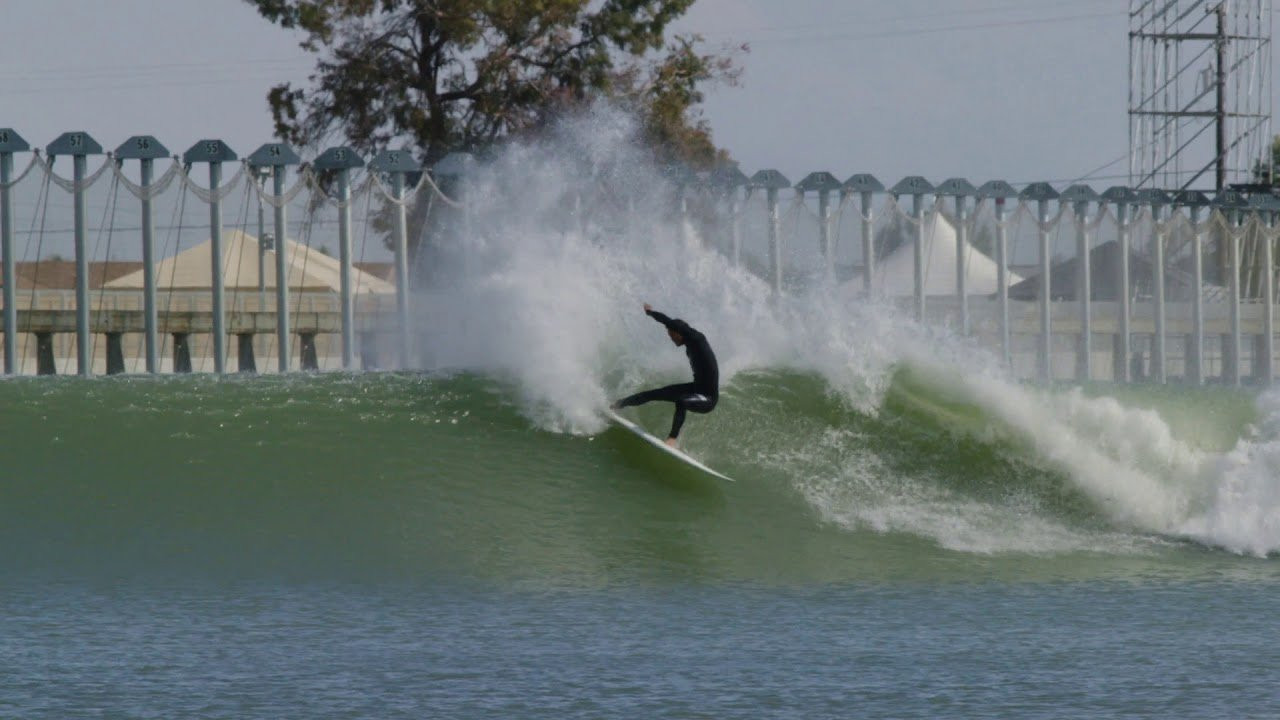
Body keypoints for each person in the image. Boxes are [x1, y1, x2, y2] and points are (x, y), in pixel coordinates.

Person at [611, 303, 718, 447]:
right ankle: (617, 405)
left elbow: (669, 322)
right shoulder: (689, 345)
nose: (671, 339)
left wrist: (650, 313)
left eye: (671, 335)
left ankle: (672, 439)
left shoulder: (696, 339)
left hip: (707, 398)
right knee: (652, 394)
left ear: (679, 332)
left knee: (681, 401)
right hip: (695, 388)